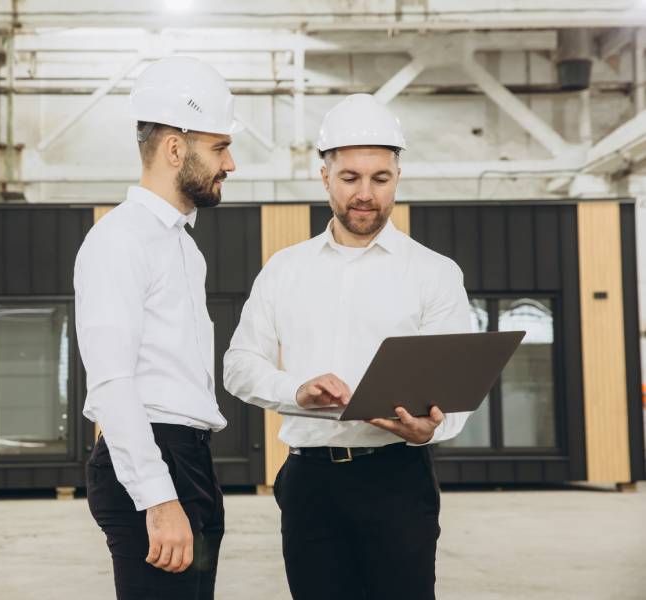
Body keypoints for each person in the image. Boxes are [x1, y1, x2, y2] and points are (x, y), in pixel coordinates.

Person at [223, 93, 472, 600]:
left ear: (397, 177)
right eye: (350, 178)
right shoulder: (284, 269)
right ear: (325, 178)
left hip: (398, 481)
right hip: (310, 482)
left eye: (380, 179)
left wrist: (433, 428)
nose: (366, 194)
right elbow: (239, 365)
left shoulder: (435, 273)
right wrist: (297, 391)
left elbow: (458, 387)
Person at [74, 55, 241, 600]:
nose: (230, 164)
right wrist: (158, 497)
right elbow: (112, 381)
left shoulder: (182, 248)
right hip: (152, 458)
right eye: (219, 147)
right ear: (175, 148)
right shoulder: (120, 240)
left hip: (188, 457)